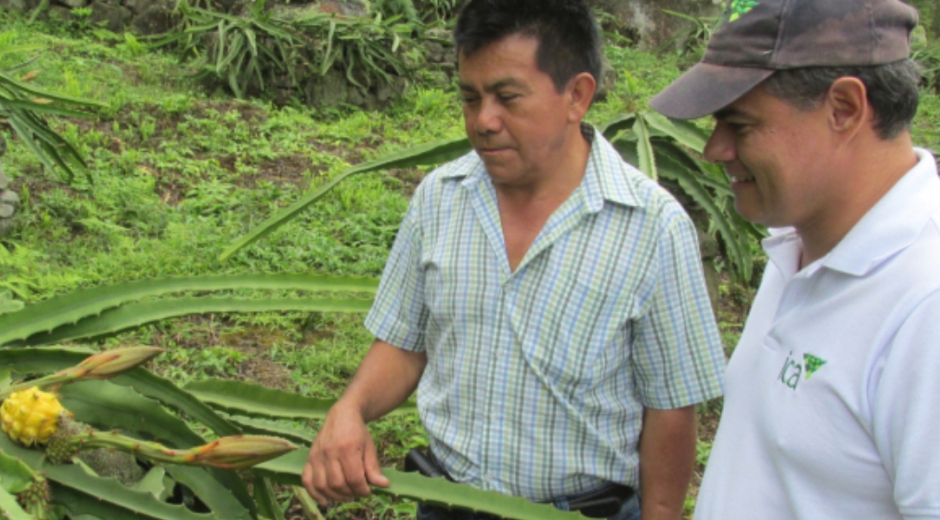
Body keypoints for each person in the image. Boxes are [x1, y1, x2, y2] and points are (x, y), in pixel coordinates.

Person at [302, 1, 726, 519]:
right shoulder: (441, 198)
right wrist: (350, 409)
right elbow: (404, 344)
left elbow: (671, 409)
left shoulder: (652, 227)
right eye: (469, 97)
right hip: (448, 504)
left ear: (577, 96)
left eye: (507, 97)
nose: (484, 121)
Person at [649, 0, 940, 519]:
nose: (714, 148)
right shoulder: (799, 245)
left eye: (739, 123)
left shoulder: (924, 303)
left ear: (845, 108)